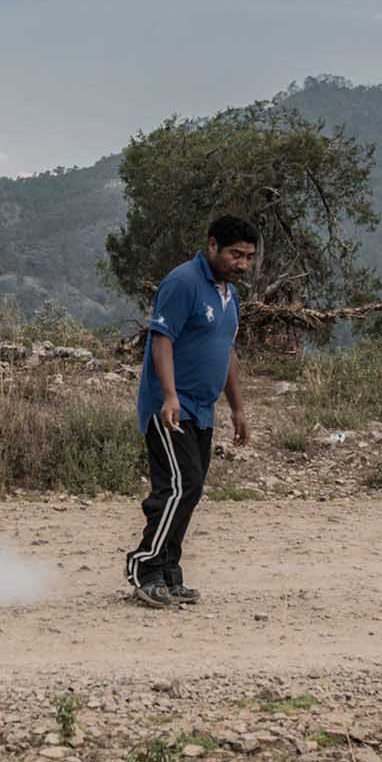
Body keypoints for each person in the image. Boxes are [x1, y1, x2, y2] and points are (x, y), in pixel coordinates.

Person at [125, 214, 258, 609]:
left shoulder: (229, 296)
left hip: (203, 409)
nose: (242, 264)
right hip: (170, 406)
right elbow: (162, 339)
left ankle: (169, 573)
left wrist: (238, 407)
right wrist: (169, 396)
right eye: (235, 254)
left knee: (191, 488)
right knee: (179, 485)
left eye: (249, 257)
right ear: (212, 245)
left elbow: (226, 351)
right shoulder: (183, 282)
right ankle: (145, 568)